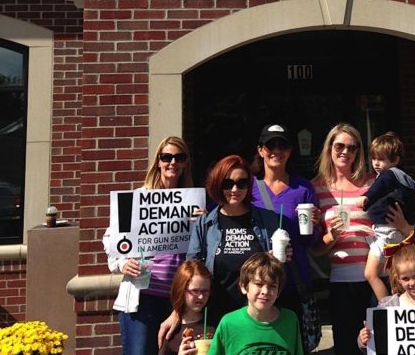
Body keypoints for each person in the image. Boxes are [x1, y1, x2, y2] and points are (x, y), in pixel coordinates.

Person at [311, 122, 414, 355]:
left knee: (382, 346)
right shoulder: (316, 189)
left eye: (353, 147)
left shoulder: (374, 183)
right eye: (339, 146)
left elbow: (404, 226)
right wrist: (331, 237)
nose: (345, 152)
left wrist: (405, 226)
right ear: (329, 148)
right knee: (347, 347)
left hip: (379, 277)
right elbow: (316, 249)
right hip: (342, 282)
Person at [159, 154, 283, 344]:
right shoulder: (205, 223)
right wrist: (178, 312)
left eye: (242, 183)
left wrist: (280, 259)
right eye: (228, 183)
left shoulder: (267, 220)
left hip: (257, 315)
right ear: (217, 184)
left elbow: (277, 271)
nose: (235, 189)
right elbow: (190, 272)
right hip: (216, 318)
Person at [103, 135, 197, 355]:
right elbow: (110, 239)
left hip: (179, 299)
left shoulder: (192, 201)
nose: (173, 162)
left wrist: (198, 224)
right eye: (167, 157)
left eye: (179, 157)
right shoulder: (136, 199)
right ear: (158, 162)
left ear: (185, 163)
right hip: (142, 298)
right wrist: (122, 263)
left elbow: (199, 251)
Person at [251, 124, 320, 318]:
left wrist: (314, 226)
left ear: (290, 151)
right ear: (260, 150)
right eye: (270, 145)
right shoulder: (247, 187)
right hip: (259, 284)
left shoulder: (303, 188)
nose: (277, 151)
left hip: (294, 279)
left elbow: (309, 243)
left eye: (283, 146)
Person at [359, 132, 415, 302]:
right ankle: (396, 303)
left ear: (396, 160)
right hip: (389, 233)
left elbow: (378, 189)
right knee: (392, 275)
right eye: (374, 158)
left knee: (371, 274)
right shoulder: (401, 179)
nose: (376, 163)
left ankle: (388, 308)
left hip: (387, 234)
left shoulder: (389, 175)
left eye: (382, 159)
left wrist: (366, 198)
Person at [209, 252, 304, 355]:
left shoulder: (290, 320)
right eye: (259, 284)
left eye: (272, 286)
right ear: (243, 287)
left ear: (279, 291)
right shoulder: (229, 323)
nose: (265, 291)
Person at [158, 260, 212, 355]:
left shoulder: (216, 325)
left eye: (205, 291)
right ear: (181, 290)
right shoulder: (171, 331)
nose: (201, 297)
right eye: (195, 291)